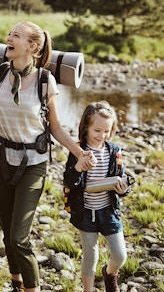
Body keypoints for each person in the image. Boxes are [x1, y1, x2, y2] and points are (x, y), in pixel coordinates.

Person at [0, 21, 96, 292]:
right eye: (8, 34)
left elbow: (55, 127)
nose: (8, 38)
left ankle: (32, 287)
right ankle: (16, 281)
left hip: (33, 165)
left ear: (32, 46)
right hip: (0, 160)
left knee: (19, 237)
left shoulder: (44, 80)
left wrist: (79, 152)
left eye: (15, 35)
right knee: (7, 234)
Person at [63, 101, 132, 292]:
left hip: (108, 211)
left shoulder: (114, 152)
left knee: (119, 255)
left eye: (107, 131)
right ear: (86, 127)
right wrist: (78, 167)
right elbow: (69, 181)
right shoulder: (78, 150)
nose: (102, 136)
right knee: (90, 256)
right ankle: (88, 290)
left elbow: (123, 178)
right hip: (86, 212)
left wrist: (123, 188)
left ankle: (109, 274)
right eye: (97, 130)